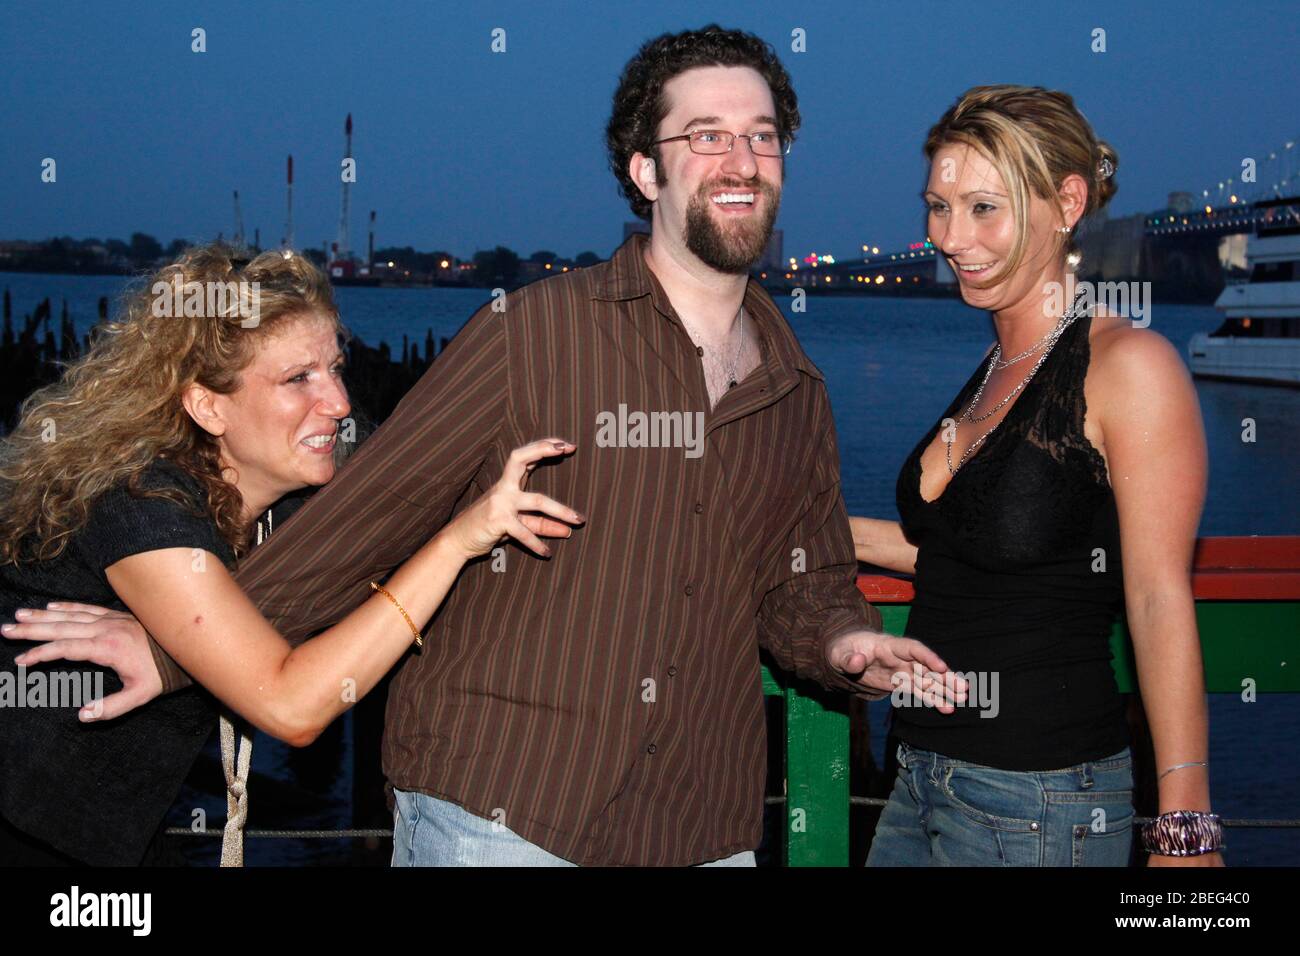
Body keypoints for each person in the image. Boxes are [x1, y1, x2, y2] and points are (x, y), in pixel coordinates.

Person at [27, 25, 962, 867]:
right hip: (503, 816)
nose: (741, 158)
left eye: (762, 135)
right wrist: (180, 648)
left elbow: (799, 578)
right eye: (706, 134)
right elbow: (370, 511)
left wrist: (844, 641)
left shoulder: (797, 389)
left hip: (699, 825)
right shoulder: (536, 334)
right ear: (647, 171)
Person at [0, 244, 581, 866]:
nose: (336, 402)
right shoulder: (140, 504)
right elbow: (291, 706)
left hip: (124, 831)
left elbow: (419, 489)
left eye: (336, 367)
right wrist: (457, 542)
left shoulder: (294, 495)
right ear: (207, 406)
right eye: (297, 378)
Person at [852, 85, 1223, 866]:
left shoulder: (1129, 367)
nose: (952, 237)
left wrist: (1185, 824)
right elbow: (977, 557)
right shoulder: (1000, 367)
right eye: (938, 206)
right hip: (919, 776)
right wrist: (786, 525)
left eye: (984, 207)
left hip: (1041, 797)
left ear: (1067, 203)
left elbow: (1157, 595)